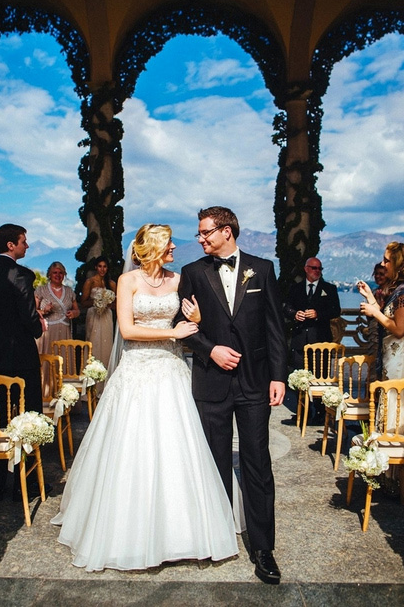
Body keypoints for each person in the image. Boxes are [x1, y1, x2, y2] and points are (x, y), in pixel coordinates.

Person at [51, 224, 238, 572]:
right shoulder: (128, 281)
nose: (174, 249)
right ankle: (126, 531)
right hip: (137, 368)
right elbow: (127, 329)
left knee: (178, 446)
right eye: (168, 244)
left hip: (170, 368)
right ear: (151, 247)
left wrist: (196, 319)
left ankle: (185, 531)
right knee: (130, 446)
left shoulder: (179, 279)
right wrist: (173, 331)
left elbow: (192, 317)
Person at [177, 206, 287, 585]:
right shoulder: (192, 273)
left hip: (255, 382)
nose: (201, 239)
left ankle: (263, 548)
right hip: (211, 382)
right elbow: (181, 326)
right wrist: (211, 350)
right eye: (200, 234)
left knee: (258, 465)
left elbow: (275, 327)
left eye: (206, 232)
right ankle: (218, 537)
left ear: (226, 231)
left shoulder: (263, 268)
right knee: (214, 463)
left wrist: (279, 377)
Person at [0, 223, 44, 501]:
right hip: (21, 358)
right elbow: (29, 316)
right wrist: (38, 326)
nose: (27, 246)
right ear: (11, 245)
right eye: (24, 242)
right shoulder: (20, 274)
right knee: (30, 418)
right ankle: (26, 485)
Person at [358, 241, 404, 494]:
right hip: (395, 360)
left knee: (400, 413)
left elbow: (398, 328)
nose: (383, 264)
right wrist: (372, 300)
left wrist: (374, 312)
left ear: (399, 262)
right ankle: (393, 477)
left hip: (402, 363)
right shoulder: (403, 289)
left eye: (387, 260)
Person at [283, 256, 341, 372]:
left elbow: (336, 311)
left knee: (321, 374)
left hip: (321, 339)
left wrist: (318, 314)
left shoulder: (329, 289)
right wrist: (295, 314)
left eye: (320, 268)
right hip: (300, 339)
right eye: (314, 268)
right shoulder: (295, 288)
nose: (317, 271)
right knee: (298, 375)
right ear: (306, 269)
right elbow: (286, 308)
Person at [35, 261, 80, 354]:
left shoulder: (69, 291)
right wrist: (44, 311)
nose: (58, 275)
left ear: (64, 275)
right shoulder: (41, 290)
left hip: (64, 331)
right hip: (47, 332)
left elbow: (77, 310)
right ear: (49, 274)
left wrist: (74, 313)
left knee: (64, 357)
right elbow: (33, 311)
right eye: (55, 273)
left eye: (61, 273)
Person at [81, 256, 116, 368]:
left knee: (107, 343)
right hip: (94, 315)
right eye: (100, 266)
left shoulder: (111, 284)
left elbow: (117, 303)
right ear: (96, 267)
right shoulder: (90, 282)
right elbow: (83, 302)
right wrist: (97, 302)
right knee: (93, 342)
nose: (102, 269)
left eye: (105, 267)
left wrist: (108, 304)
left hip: (107, 316)